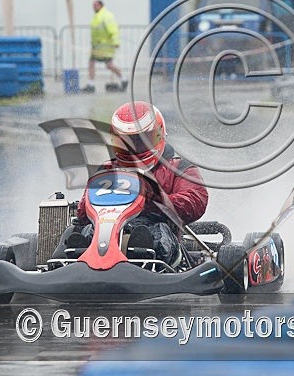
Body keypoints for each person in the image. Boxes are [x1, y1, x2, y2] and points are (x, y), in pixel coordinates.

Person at [54, 101, 209, 267]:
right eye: (126, 142)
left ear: (158, 135)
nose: (133, 148)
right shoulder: (107, 169)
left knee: (155, 233)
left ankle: (143, 250)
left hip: (154, 225)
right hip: (106, 228)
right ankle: (79, 252)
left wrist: (156, 199)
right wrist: (92, 205)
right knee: (84, 232)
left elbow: (195, 201)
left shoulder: (179, 168)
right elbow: (83, 213)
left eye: (140, 141)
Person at [84, 0, 127, 93]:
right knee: (91, 63)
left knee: (109, 65)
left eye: (95, 5)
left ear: (100, 5)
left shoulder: (106, 16)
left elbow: (113, 30)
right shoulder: (97, 16)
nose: (93, 8)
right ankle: (90, 85)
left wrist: (116, 42)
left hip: (106, 46)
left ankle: (124, 79)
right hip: (97, 47)